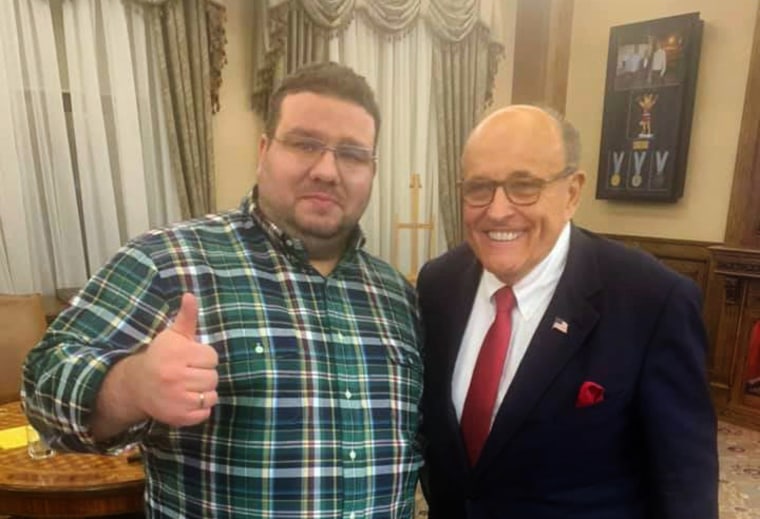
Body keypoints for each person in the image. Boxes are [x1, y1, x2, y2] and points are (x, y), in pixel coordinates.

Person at [22, 62, 423, 519]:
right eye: (305, 143)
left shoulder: (396, 296)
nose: (328, 170)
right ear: (264, 150)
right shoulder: (167, 261)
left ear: (371, 170)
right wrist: (131, 386)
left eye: (352, 154)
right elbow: (42, 385)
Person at [417, 104, 718, 519]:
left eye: (524, 186)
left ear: (572, 193)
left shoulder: (652, 300)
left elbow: (685, 486)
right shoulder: (437, 285)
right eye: (478, 187)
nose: (498, 210)